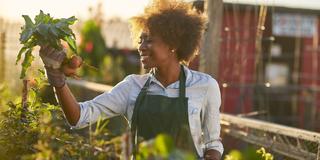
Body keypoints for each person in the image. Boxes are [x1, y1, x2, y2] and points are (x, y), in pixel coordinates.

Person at [39, 0, 223, 159]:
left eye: (149, 40)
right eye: (140, 40)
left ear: (172, 44)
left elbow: (213, 143)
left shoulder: (205, 86)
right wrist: (57, 80)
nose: (141, 47)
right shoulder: (132, 86)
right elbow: (78, 117)